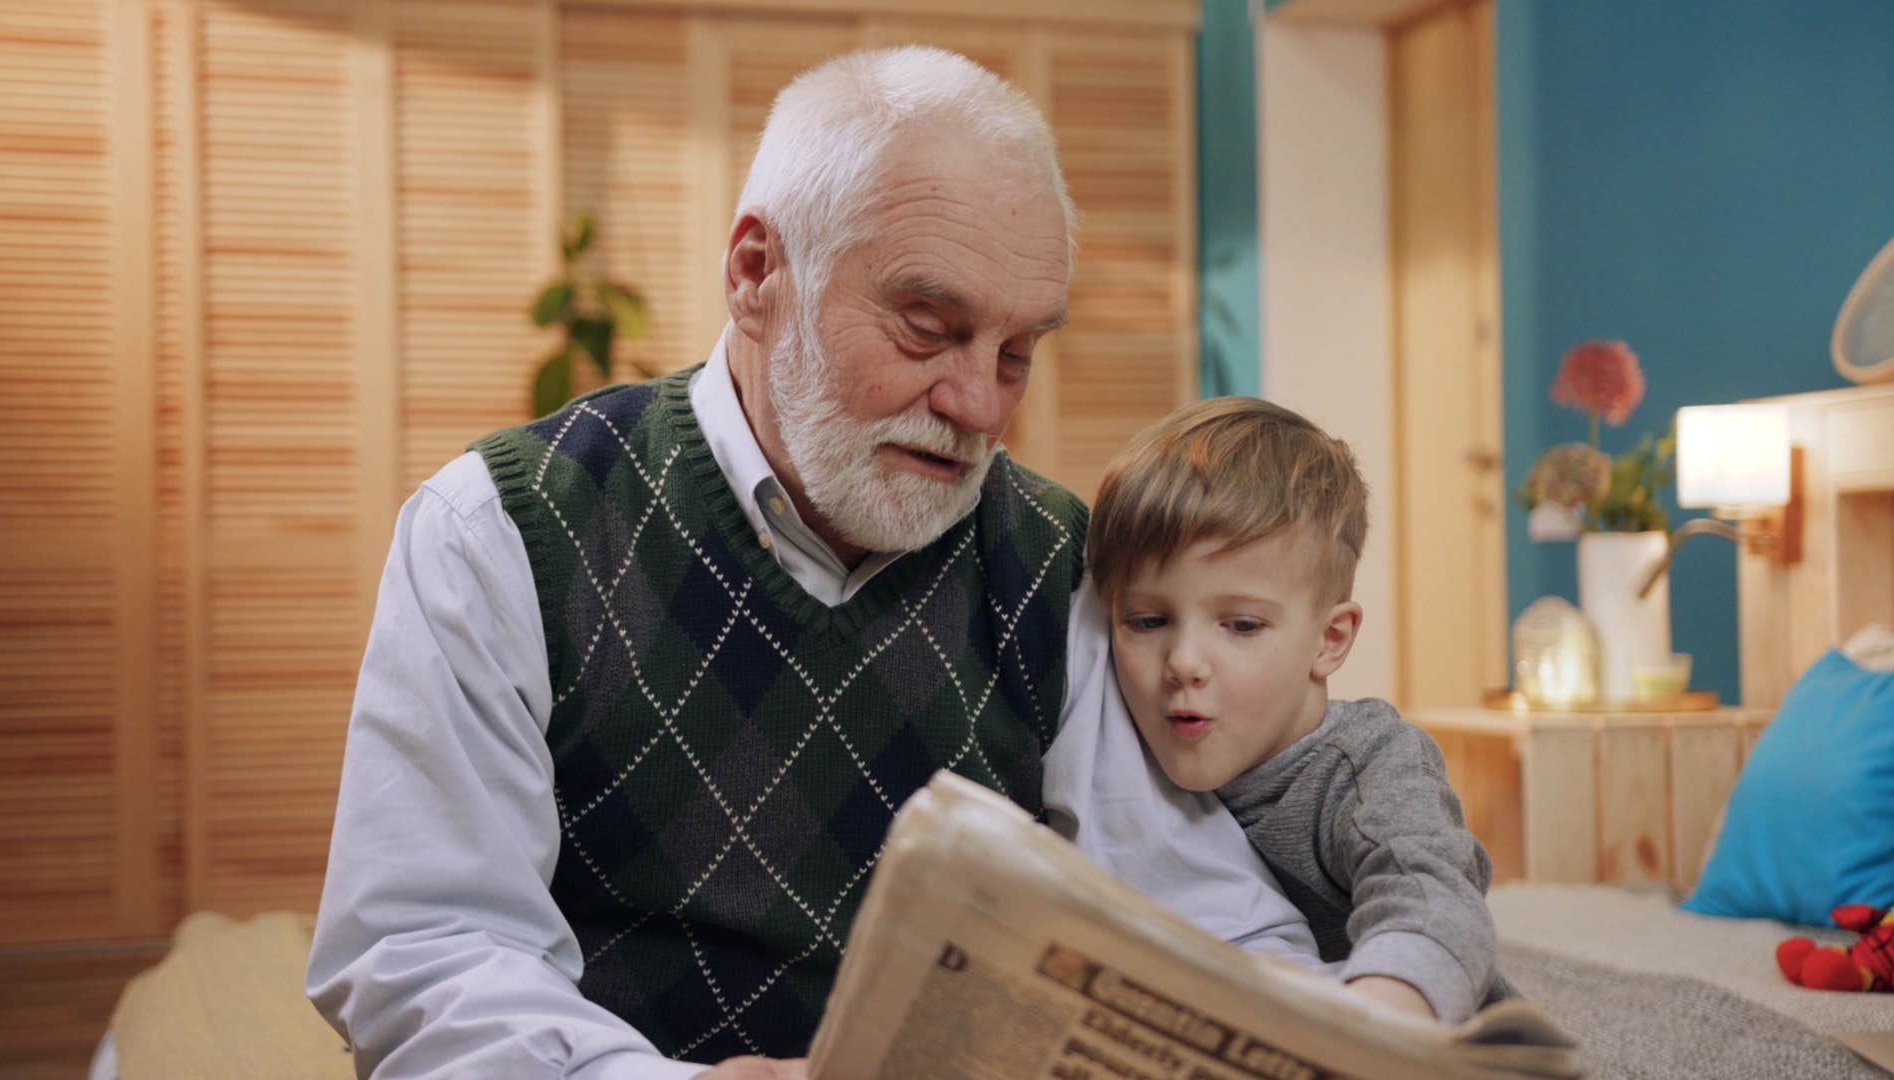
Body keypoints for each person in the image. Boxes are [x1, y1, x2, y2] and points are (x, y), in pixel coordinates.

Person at [306, 48, 1320, 1079]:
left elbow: (1211, 922)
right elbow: (424, 953)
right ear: (756, 274)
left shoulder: (1057, 563)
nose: (980, 404)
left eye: (1017, 353)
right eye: (930, 330)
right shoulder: (499, 532)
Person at [1086, 396, 1513, 1027]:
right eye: (1147, 621)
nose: (1184, 661)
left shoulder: (1368, 764)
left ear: (1329, 640)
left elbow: (1433, 896)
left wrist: (1384, 1016)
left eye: (1241, 625)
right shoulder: (1117, 737)